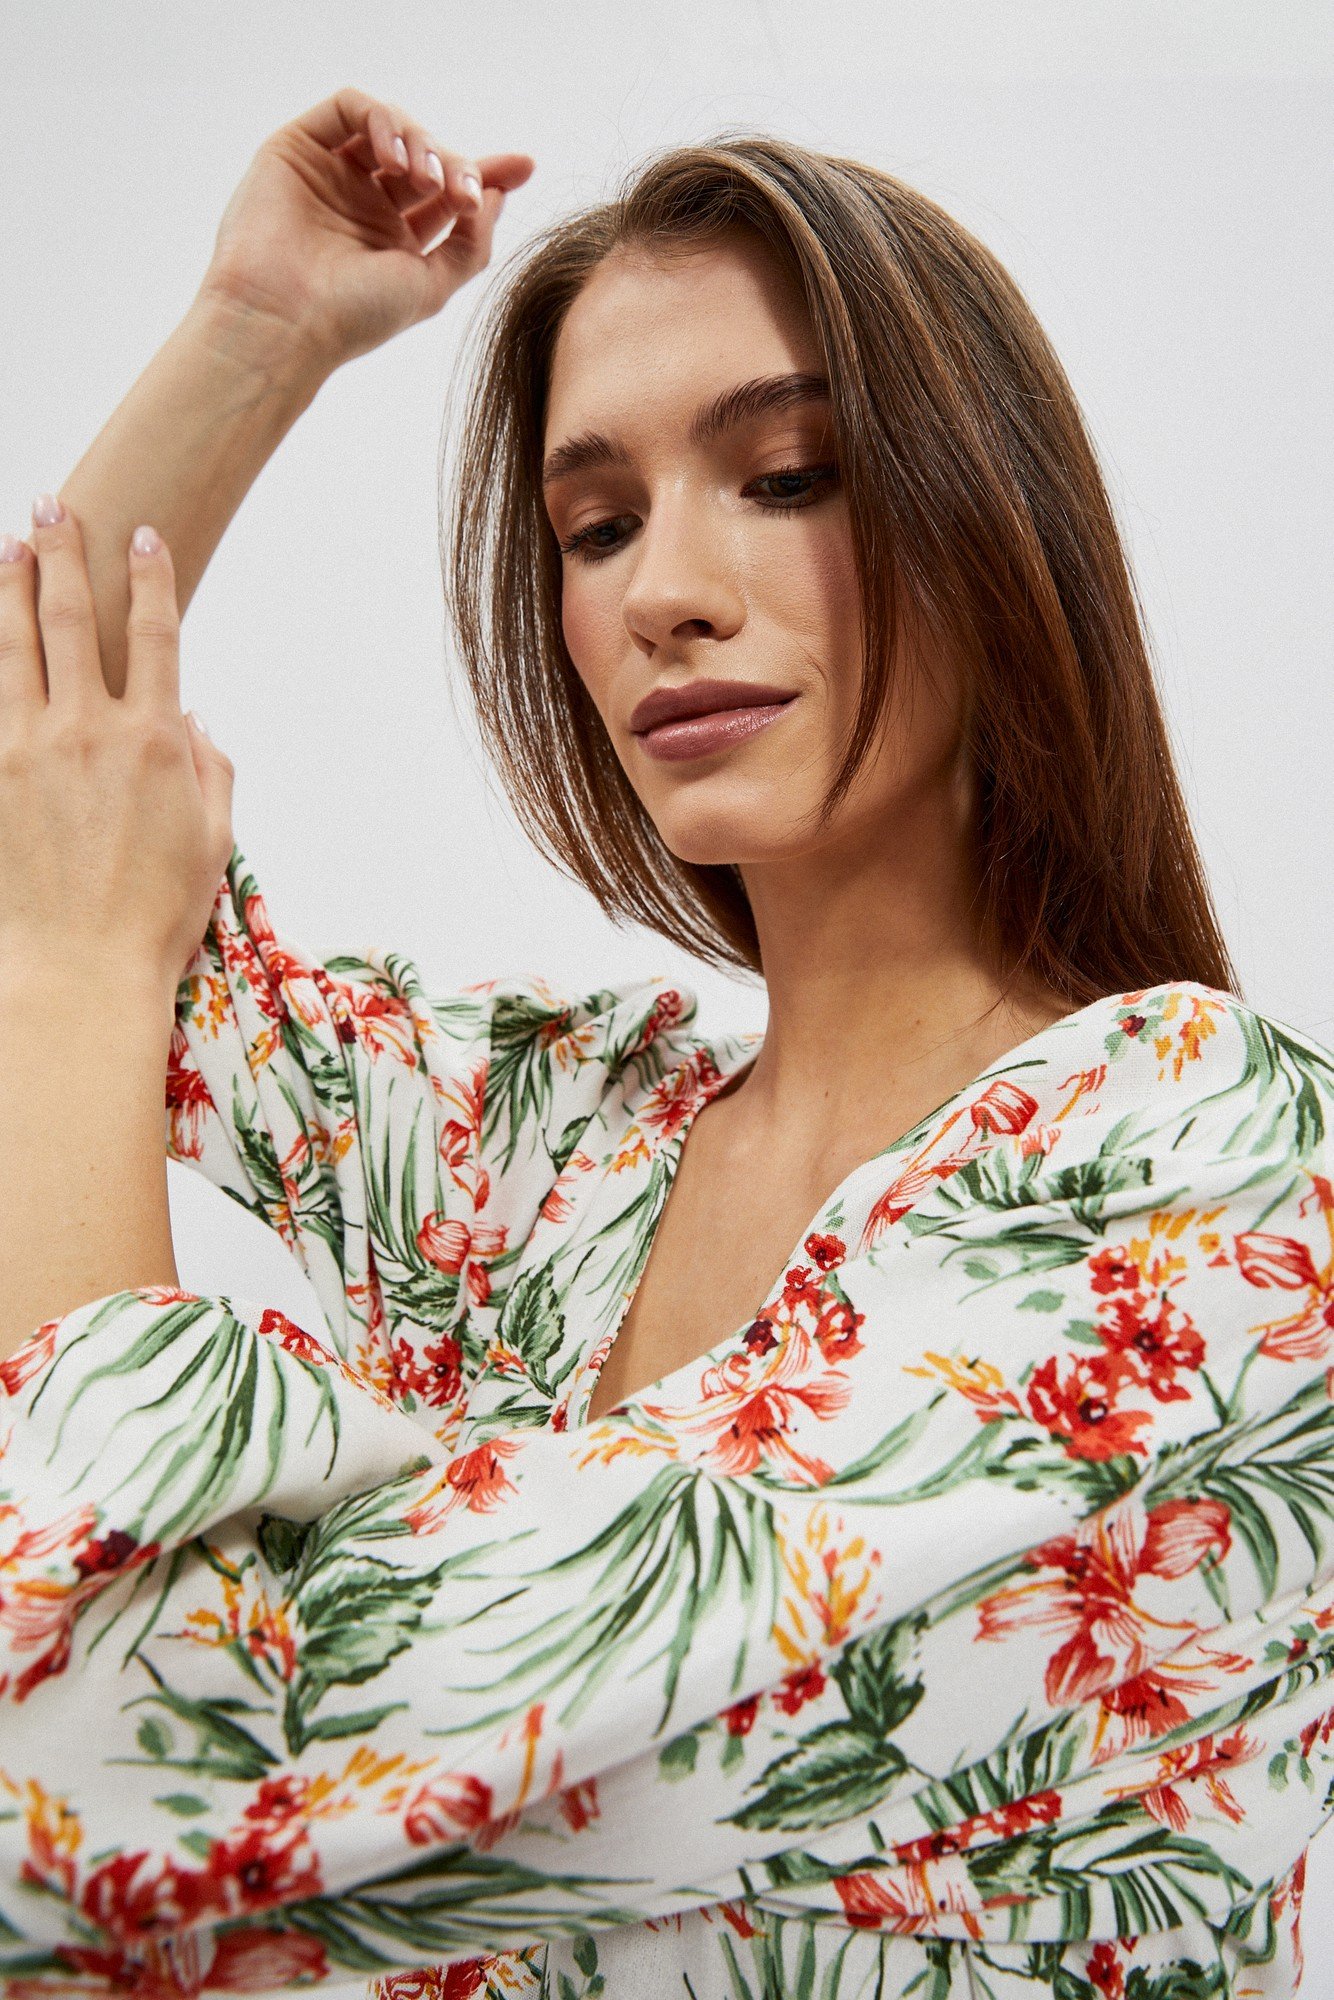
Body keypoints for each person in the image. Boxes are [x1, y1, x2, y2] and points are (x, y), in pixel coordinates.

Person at [1, 86, 1332, 2000]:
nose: (660, 594)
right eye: (595, 525)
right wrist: (256, 334)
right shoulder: (549, 1154)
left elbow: (121, 1783)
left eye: (786, 477)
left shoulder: (1204, 1179)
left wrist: (67, 964)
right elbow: (34, 833)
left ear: (989, 516)